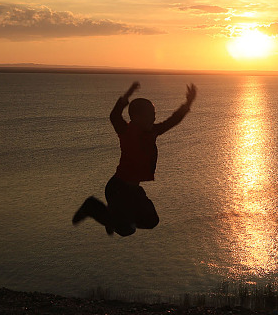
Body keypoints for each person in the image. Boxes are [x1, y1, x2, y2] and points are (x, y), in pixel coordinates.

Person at [73, 81, 197, 236]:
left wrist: (188, 103)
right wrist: (128, 94)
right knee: (126, 230)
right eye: (150, 114)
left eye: (154, 114)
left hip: (134, 190)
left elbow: (172, 121)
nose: (154, 118)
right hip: (118, 188)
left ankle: (113, 218)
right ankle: (93, 208)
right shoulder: (126, 130)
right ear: (137, 117)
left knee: (152, 221)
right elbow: (114, 115)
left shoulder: (152, 132)